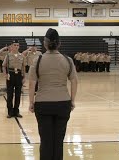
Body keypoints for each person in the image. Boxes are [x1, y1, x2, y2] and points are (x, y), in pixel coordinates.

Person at [28, 28, 78, 160]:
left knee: (46, 141)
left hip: (43, 104)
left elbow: (32, 83)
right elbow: (74, 81)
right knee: (58, 141)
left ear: (45, 43)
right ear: (59, 44)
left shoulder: (37, 61)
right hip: (63, 104)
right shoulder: (68, 60)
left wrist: (31, 102)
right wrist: (72, 100)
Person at [2, 40, 26, 118]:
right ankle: (10, 112)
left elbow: (23, 67)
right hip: (10, 75)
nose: (16, 46)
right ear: (11, 46)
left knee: (18, 94)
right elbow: (4, 66)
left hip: (19, 75)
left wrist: (24, 77)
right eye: (14, 45)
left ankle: (16, 111)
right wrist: (5, 75)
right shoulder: (8, 55)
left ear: (19, 46)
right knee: (10, 94)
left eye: (17, 45)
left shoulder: (22, 56)